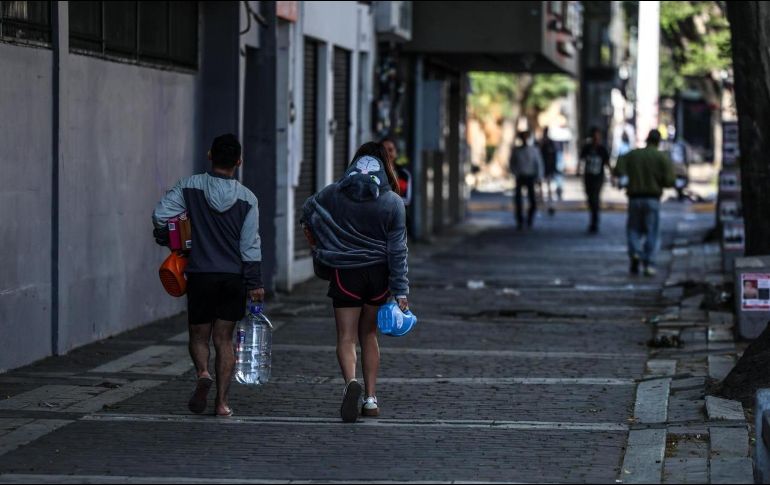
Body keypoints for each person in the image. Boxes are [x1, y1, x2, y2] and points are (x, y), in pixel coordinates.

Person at [152, 134, 264, 417]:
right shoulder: (248, 199)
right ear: (238, 161)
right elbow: (250, 245)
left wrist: (174, 238)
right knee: (224, 339)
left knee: (199, 336)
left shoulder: (190, 186)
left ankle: (203, 372)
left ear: (209, 155)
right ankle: (222, 403)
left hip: (200, 274)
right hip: (232, 278)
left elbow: (161, 215)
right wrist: (254, 282)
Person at [301, 142, 409, 423]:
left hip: (345, 272)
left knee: (345, 337)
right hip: (378, 276)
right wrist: (400, 290)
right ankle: (370, 399)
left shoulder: (334, 193)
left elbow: (307, 212)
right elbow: (398, 250)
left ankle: (350, 382)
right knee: (369, 335)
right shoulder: (393, 202)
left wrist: (319, 244)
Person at [614, 129, 676, 276]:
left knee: (633, 229)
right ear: (658, 141)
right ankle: (649, 263)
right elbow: (670, 181)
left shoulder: (633, 154)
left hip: (634, 199)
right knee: (652, 232)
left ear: (647, 139)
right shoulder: (662, 157)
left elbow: (619, 166)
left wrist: (626, 176)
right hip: (652, 199)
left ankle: (635, 252)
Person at [579, 127, 612, 234]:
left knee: (595, 199)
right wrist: (578, 171)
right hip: (588, 177)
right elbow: (581, 160)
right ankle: (593, 219)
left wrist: (613, 175)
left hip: (598, 178)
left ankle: (595, 222)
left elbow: (607, 163)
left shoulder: (602, 149)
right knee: (590, 199)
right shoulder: (587, 148)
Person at [509, 131, 544, 229]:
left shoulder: (534, 150)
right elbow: (512, 164)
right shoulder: (516, 150)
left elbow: (539, 164)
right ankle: (520, 220)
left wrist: (539, 177)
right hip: (520, 177)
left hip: (531, 177)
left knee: (532, 200)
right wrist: (515, 173)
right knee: (518, 200)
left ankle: (529, 219)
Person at [381, 136, 412, 206]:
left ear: (396, 153)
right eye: (383, 151)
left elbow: (407, 200)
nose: (387, 154)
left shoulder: (404, 175)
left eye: (390, 150)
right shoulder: (372, 172)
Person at [540, 127, 559, 215]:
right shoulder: (541, 143)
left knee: (549, 185)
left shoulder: (549, 143)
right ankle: (543, 201)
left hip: (548, 167)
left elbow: (554, 155)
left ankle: (549, 203)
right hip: (543, 167)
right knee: (543, 185)